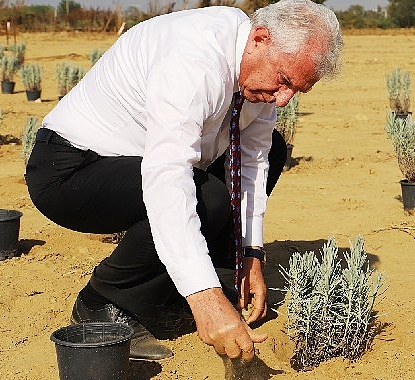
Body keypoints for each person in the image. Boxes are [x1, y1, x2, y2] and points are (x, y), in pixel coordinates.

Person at [25, 0, 342, 362]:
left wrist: (250, 253)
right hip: (71, 170)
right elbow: (168, 180)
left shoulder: (257, 62)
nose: (283, 100)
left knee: (272, 152)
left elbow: (252, 160)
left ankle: (214, 276)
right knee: (208, 197)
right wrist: (204, 299)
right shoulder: (194, 62)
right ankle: (102, 302)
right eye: (284, 81)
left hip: (139, 164)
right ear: (260, 38)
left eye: (296, 90)